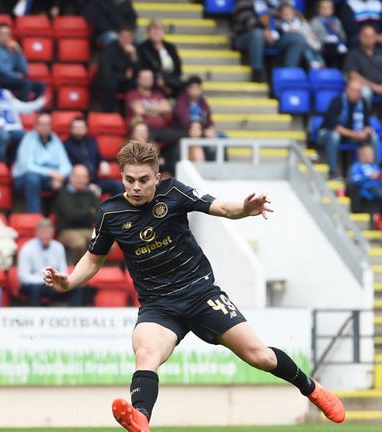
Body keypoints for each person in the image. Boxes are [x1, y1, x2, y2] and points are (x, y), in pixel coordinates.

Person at [42, 139, 346, 432]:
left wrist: (244, 207)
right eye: (129, 179)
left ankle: (312, 389)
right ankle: (140, 419)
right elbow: (93, 261)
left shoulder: (174, 193)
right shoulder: (110, 213)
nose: (135, 187)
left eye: (143, 180)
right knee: (146, 354)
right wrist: (67, 281)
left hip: (201, 294)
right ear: (121, 177)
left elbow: (222, 208)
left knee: (260, 357)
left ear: (157, 177)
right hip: (159, 305)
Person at [317, 79, 379, 179]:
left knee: (374, 137)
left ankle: (376, 172)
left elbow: (367, 124)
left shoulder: (362, 102)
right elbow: (334, 127)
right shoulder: (337, 101)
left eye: (359, 91)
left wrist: (367, 131)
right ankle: (332, 172)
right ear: (347, 90)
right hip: (326, 135)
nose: (357, 93)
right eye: (354, 90)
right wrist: (356, 134)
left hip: (353, 135)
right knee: (334, 136)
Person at [232, 0, 307, 82]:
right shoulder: (244, 2)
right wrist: (264, 29)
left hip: (273, 35)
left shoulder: (275, 3)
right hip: (246, 36)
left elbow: (282, 19)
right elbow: (245, 19)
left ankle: (288, 74)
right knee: (257, 34)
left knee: (297, 38)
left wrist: (274, 30)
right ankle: (257, 71)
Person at [12, 112, 72, 214]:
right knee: (33, 178)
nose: (45, 127)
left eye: (48, 124)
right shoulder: (28, 138)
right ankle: (35, 217)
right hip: (24, 178)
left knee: (73, 177)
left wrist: (60, 176)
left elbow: (66, 164)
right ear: (36, 126)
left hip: (50, 178)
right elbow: (28, 166)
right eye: (42, 124)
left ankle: (64, 218)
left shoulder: (55, 139)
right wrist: (50, 173)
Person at [19, 218, 83, 306]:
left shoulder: (58, 247)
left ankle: (75, 316)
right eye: (43, 233)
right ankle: (36, 317)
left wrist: (56, 281)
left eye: (49, 233)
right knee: (35, 289)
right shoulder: (27, 249)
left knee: (76, 288)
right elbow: (24, 277)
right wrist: (45, 280)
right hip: (35, 284)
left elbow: (63, 271)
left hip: (54, 283)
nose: (46, 236)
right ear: (37, 233)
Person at [63, 117, 122, 197]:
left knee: (117, 185)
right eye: (76, 127)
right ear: (71, 129)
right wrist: (87, 185)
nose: (78, 130)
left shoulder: (92, 141)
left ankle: (114, 209)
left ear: (86, 129)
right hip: (78, 182)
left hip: (95, 180)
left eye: (81, 127)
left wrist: (103, 162)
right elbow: (70, 169)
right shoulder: (66, 145)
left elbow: (98, 157)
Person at [53, 165, 100, 264]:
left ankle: (95, 268)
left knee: (104, 241)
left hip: (87, 230)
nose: (81, 180)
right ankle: (79, 270)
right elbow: (71, 216)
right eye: (78, 176)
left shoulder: (90, 194)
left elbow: (98, 215)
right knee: (79, 243)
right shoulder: (63, 194)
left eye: (84, 177)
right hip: (67, 231)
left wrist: (82, 213)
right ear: (71, 177)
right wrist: (88, 212)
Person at [0, 23, 46, 102]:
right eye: (2, 34)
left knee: (41, 86)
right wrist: (16, 76)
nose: (4, 37)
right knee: (26, 84)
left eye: (7, 34)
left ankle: (33, 109)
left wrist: (18, 52)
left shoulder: (12, 50)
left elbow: (24, 69)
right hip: (1, 79)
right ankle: (24, 109)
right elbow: (0, 69)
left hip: (13, 79)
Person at [95, 26, 138, 113]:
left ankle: (129, 114)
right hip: (111, 79)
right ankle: (108, 114)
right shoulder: (109, 50)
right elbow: (105, 72)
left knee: (136, 84)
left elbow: (140, 72)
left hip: (126, 81)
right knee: (110, 84)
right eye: (124, 36)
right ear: (118, 37)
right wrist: (124, 76)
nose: (126, 39)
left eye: (129, 37)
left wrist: (134, 56)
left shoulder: (135, 49)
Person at [173, 75, 218, 154]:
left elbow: (208, 119)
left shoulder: (203, 102)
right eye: (193, 88)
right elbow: (184, 121)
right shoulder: (182, 101)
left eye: (198, 88)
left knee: (221, 137)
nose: (196, 90)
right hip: (186, 131)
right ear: (188, 89)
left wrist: (211, 128)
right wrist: (202, 131)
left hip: (201, 131)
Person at [137, 20, 183, 97]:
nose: (156, 33)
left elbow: (178, 67)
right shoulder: (143, 48)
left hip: (171, 80)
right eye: (153, 30)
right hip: (153, 80)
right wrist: (160, 81)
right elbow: (142, 67)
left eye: (159, 30)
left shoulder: (170, 47)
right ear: (148, 32)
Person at [278, 3, 325, 69]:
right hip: (302, 42)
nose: (287, 14)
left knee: (315, 47)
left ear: (293, 13)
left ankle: (322, 63)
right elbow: (288, 30)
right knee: (306, 47)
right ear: (281, 15)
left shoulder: (299, 21)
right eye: (285, 13)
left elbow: (307, 29)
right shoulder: (283, 23)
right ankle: (312, 61)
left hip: (310, 41)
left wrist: (311, 33)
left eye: (289, 12)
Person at [344, 25, 382, 102]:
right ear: (361, 37)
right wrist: (374, 87)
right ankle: (366, 113)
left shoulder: (380, 52)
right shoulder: (354, 54)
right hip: (365, 85)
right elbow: (353, 75)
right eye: (367, 36)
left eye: (372, 35)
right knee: (365, 92)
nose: (370, 39)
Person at [310, 0, 348, 69]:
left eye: (329, 7)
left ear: (332, 9)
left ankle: (339, 72)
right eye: (324, 8)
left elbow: (343, 36)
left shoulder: (336, 20)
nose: (326, 10)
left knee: (344, 52)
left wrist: (336, 31)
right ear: (319, 9)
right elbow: (314, 36)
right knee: (331, 49)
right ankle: (330, 70)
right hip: (323, 45)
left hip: (337, 44)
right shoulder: (315, 21)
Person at [348, 143, 382, 212]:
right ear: (361, 156)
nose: (370, 157)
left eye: (371, 154)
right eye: (368, 155)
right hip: (367, 188)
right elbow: (355, 180)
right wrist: (369, 177)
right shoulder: (357, 166)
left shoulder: (375, 166)